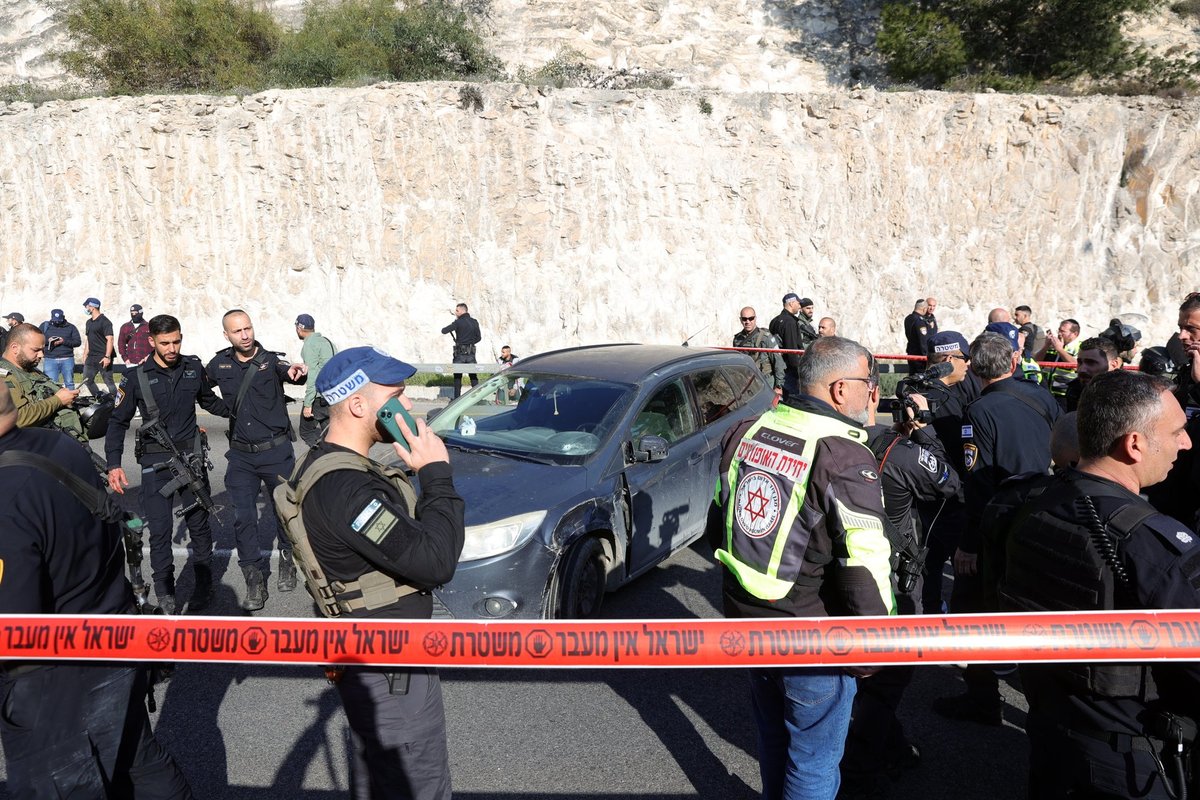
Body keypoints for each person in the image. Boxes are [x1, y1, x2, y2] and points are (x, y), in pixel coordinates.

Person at [984, 370, 1200, 799]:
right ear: (1134, 444)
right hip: (1134, 763)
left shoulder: (1028, 504)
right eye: (1177, 431)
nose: (1186, 443)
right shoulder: (1151, 544)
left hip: (1051, 736)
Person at [711, 335, 894, 800]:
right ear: (838, 390)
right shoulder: (843, 454)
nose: (873, 393)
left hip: (750, 622)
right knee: (813, 763)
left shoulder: (749, 428)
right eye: (868, 383)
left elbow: (722, 520)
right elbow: (864, 561)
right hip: (812, 636)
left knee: (775, 739)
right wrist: (875, 648)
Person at [0, 381, 194, 799]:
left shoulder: (5, 497)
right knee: (136, 759)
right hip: (115, 632)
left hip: (56, 675)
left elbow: (12, 625)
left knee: (61, 782)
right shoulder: (57, 444)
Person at [287, 346, 464, 800]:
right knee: (416, 786)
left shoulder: (332, 466)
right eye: (399, 395)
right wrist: (436, 473)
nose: (408, 406)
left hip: (374, 662)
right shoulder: (348, 490)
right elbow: (436, 562)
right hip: (391, 672)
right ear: (360, 405)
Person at [841, 371, 962, 796]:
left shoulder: (850, 441)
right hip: (892, 577)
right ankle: (860, 769)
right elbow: (952, 484)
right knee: (889, 677)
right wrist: (926, 431)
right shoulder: (908, 453)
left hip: (844, 569)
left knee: (866, 678)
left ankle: (890, 747)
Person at [934, 329, 1060, 726]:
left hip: (998, 522)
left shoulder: (980, 412)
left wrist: (968, 544)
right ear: (1012, 362)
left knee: (975, 609)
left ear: (975, 368)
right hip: (1041, 513)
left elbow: (979, 481)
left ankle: (982, 697)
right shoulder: (1042, 396)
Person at [106, 314, 231, 614]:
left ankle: (204, 585)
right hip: (155, 462)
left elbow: (209, 401)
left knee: (200, 526)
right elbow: (117, 422)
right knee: (160, 531)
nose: (172, 348)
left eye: (176, 341)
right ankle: (165, 591)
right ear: (151, 341)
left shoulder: (192, 367)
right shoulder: (135, 377)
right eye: (165, 343)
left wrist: (244, 410)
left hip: (191, 459)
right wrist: (114, 464)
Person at [206, 309, 308, 610]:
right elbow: (198, 389)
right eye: (237, 331)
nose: (245, 335)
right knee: (243, 518)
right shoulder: (219, 363)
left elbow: (288, 372)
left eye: (248, 328)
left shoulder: (271, 361)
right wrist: (225, 411)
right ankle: (253, 578)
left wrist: (295, 373)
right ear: (227, 335)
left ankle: (288, 561)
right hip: (241, 456)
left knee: (285, 513)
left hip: (276, 453)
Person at [917, 330, 980, 615]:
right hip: (940, 498)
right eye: (965, 358)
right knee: (935, 567)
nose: (969, 363)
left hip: (954, 495)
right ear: (949, 358)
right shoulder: (926, 396)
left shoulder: (963, 384)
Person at [1147, 291, 1200, 531]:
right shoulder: (1187, 369)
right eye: (1180, 327)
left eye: (1191, 329)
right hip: (1174, 487)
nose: (1182, 336)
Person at [0, 323, 86, 443]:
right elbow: (18, 417)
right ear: (15, 348)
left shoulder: (28, 369)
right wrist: (58, 400)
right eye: (36, 350)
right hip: (29, 450)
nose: (41, 355)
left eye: (42, 349)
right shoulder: (4, 376)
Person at [296, 313, 336, 448]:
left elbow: (312, 375)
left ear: (299, 328)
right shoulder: (327, 342)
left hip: (318, 397)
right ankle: (333, 456)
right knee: (329, 433)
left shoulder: (310, 344)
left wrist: (308, 403)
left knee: (306, 431)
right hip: (332, 395)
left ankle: (323, 457)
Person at [732, 306, 785, 400]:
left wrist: (779, 386)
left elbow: (778, 362)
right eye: (744, 319)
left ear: (755, 318)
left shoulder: (766, 338)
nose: (747, 322)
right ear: (740, 320)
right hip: (746, 383)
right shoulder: (738, 339)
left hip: (765, 382)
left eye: (750, 318)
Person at [1062, 336, 1122, 412]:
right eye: (1080, 362)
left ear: (1114, 364)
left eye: (1091, 362)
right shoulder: (1075, 389)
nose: (1082, 369)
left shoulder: (1129, 394)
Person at [1035, 318, 1081, 406]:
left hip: (1064, 394)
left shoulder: (1080, 347)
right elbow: (1036, 361)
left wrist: (1060, 350)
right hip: (1046, 392)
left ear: (1075, 334)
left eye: (1063, 331)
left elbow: (1076, 365)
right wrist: (1046, 346)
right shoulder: (1054, 345)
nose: (1059, 334)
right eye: (1059, 330)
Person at [441, 302, 481, 398]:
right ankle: (477, 398)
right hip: (471, 353)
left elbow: (444, 330)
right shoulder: (474, 322)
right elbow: (479, 338)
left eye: (457, 310)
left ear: (462, 311)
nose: (456, 312)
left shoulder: (458, 322)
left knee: (458, 377)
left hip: (459, 354)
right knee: (473, 376)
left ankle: (457, 399)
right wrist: (470, 343)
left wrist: (455, 324)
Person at [769, 293, 805, 399]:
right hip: (788, 371)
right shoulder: (790, 322)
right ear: (791, 303)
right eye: (798, 303)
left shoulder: (774, 321)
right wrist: (797, 372)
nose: (800, 306)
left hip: (776, 369)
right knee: (792, 401)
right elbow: (792, 349)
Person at [81, 297, 118, 398]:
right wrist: (85, 354)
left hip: (103, 356)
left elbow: (110, 339)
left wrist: (107, 356)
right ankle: (100, 399)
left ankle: (117, 403)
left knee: (108, 382)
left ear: (92, 307)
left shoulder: (105, 322)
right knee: (87, 381)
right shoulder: (89, 322)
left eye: (86, 306)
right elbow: (88, 339)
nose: (85, 308)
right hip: (91, 357)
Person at [40, 308, 81, 389]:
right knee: (51, 384)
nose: (57, 322)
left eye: (59, 320)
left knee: (69, 383)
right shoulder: (45, 326)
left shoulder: (71, 327)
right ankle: (54, 401)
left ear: (63, 317)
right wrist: (48, 341)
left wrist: (63, 341)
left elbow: (77, 342)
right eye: (55, 321)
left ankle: (70, 401)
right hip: (50, 359)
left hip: (67, 359)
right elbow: (37, 339)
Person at [903, 298, 930, 373]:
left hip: (911, 353)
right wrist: (926, 357)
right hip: (919, 357)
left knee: (912, 377)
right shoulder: (920, 321)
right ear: (924, 309)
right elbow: (923, 341)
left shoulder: (908, 318)